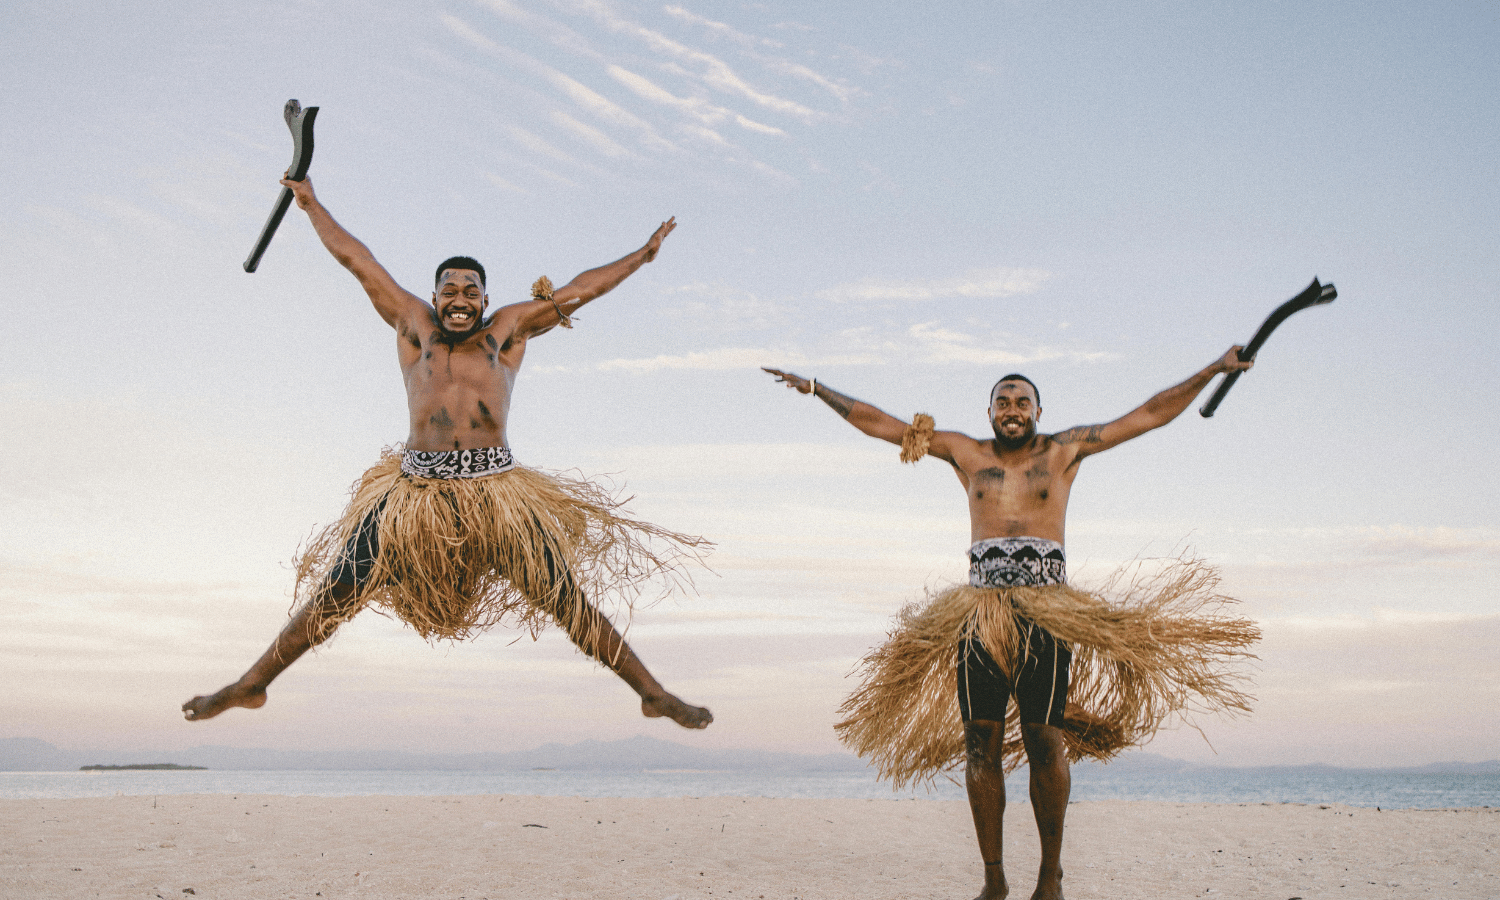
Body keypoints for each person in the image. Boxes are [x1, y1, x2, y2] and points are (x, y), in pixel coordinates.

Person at [183, 174, 712, 731]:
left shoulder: (507, 330)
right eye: (449, 292)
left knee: (567, 602)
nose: (459, 300)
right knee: (337, 591)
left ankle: (652, 694)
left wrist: (644, 256)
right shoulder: (415, 326)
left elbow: (586, 288)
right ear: (435, 297)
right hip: (416, 494)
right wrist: (310, 203)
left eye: (471, 292)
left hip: (496, 494)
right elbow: (356, 260)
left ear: (486, 298)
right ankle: (251, 684)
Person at [763, 354, 1261, 900]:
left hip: (1048, 613)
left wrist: (1213, 369)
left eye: (1023, 401)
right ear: (991, 411)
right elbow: (884, 426)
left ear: (1039, 410)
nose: (1013, 410)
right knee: (981, 744)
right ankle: (994, 878)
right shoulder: (966, 452)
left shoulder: (1064, 450)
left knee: (1045, 740)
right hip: (979, 615)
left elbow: (1148, 415)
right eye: (1003, 402)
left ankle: (1050, 875)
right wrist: (816, 388)